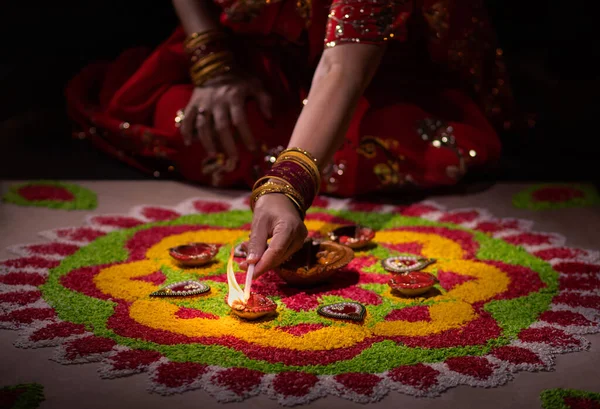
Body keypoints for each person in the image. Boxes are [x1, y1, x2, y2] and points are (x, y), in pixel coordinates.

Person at [66, 0, 514, 279]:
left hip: (377, 64)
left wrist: (289, 185)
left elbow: (344, 64)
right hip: (261, 46)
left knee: (399, 148)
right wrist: (213, 63)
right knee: (199, 124)